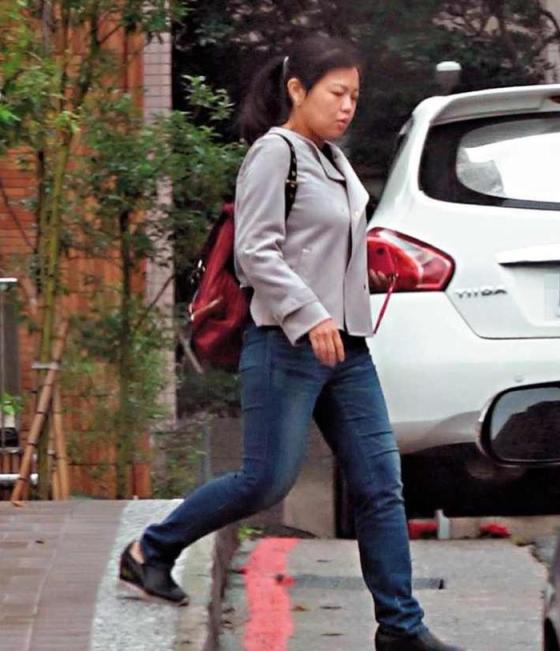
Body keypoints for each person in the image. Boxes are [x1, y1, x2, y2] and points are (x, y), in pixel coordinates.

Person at [117, 36, 463, 651]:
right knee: (265, 480)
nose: (348, 105)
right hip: (286, 344)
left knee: (381, 486)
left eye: (355, 95)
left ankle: (400, 629)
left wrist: (370, 275)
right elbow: (256, 252)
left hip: (347, 349)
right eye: (337, 93)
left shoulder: (331, 157)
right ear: (297, 89)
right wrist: (311, 313)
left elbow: (325, 244)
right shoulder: (274, 154)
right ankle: (152, 547)